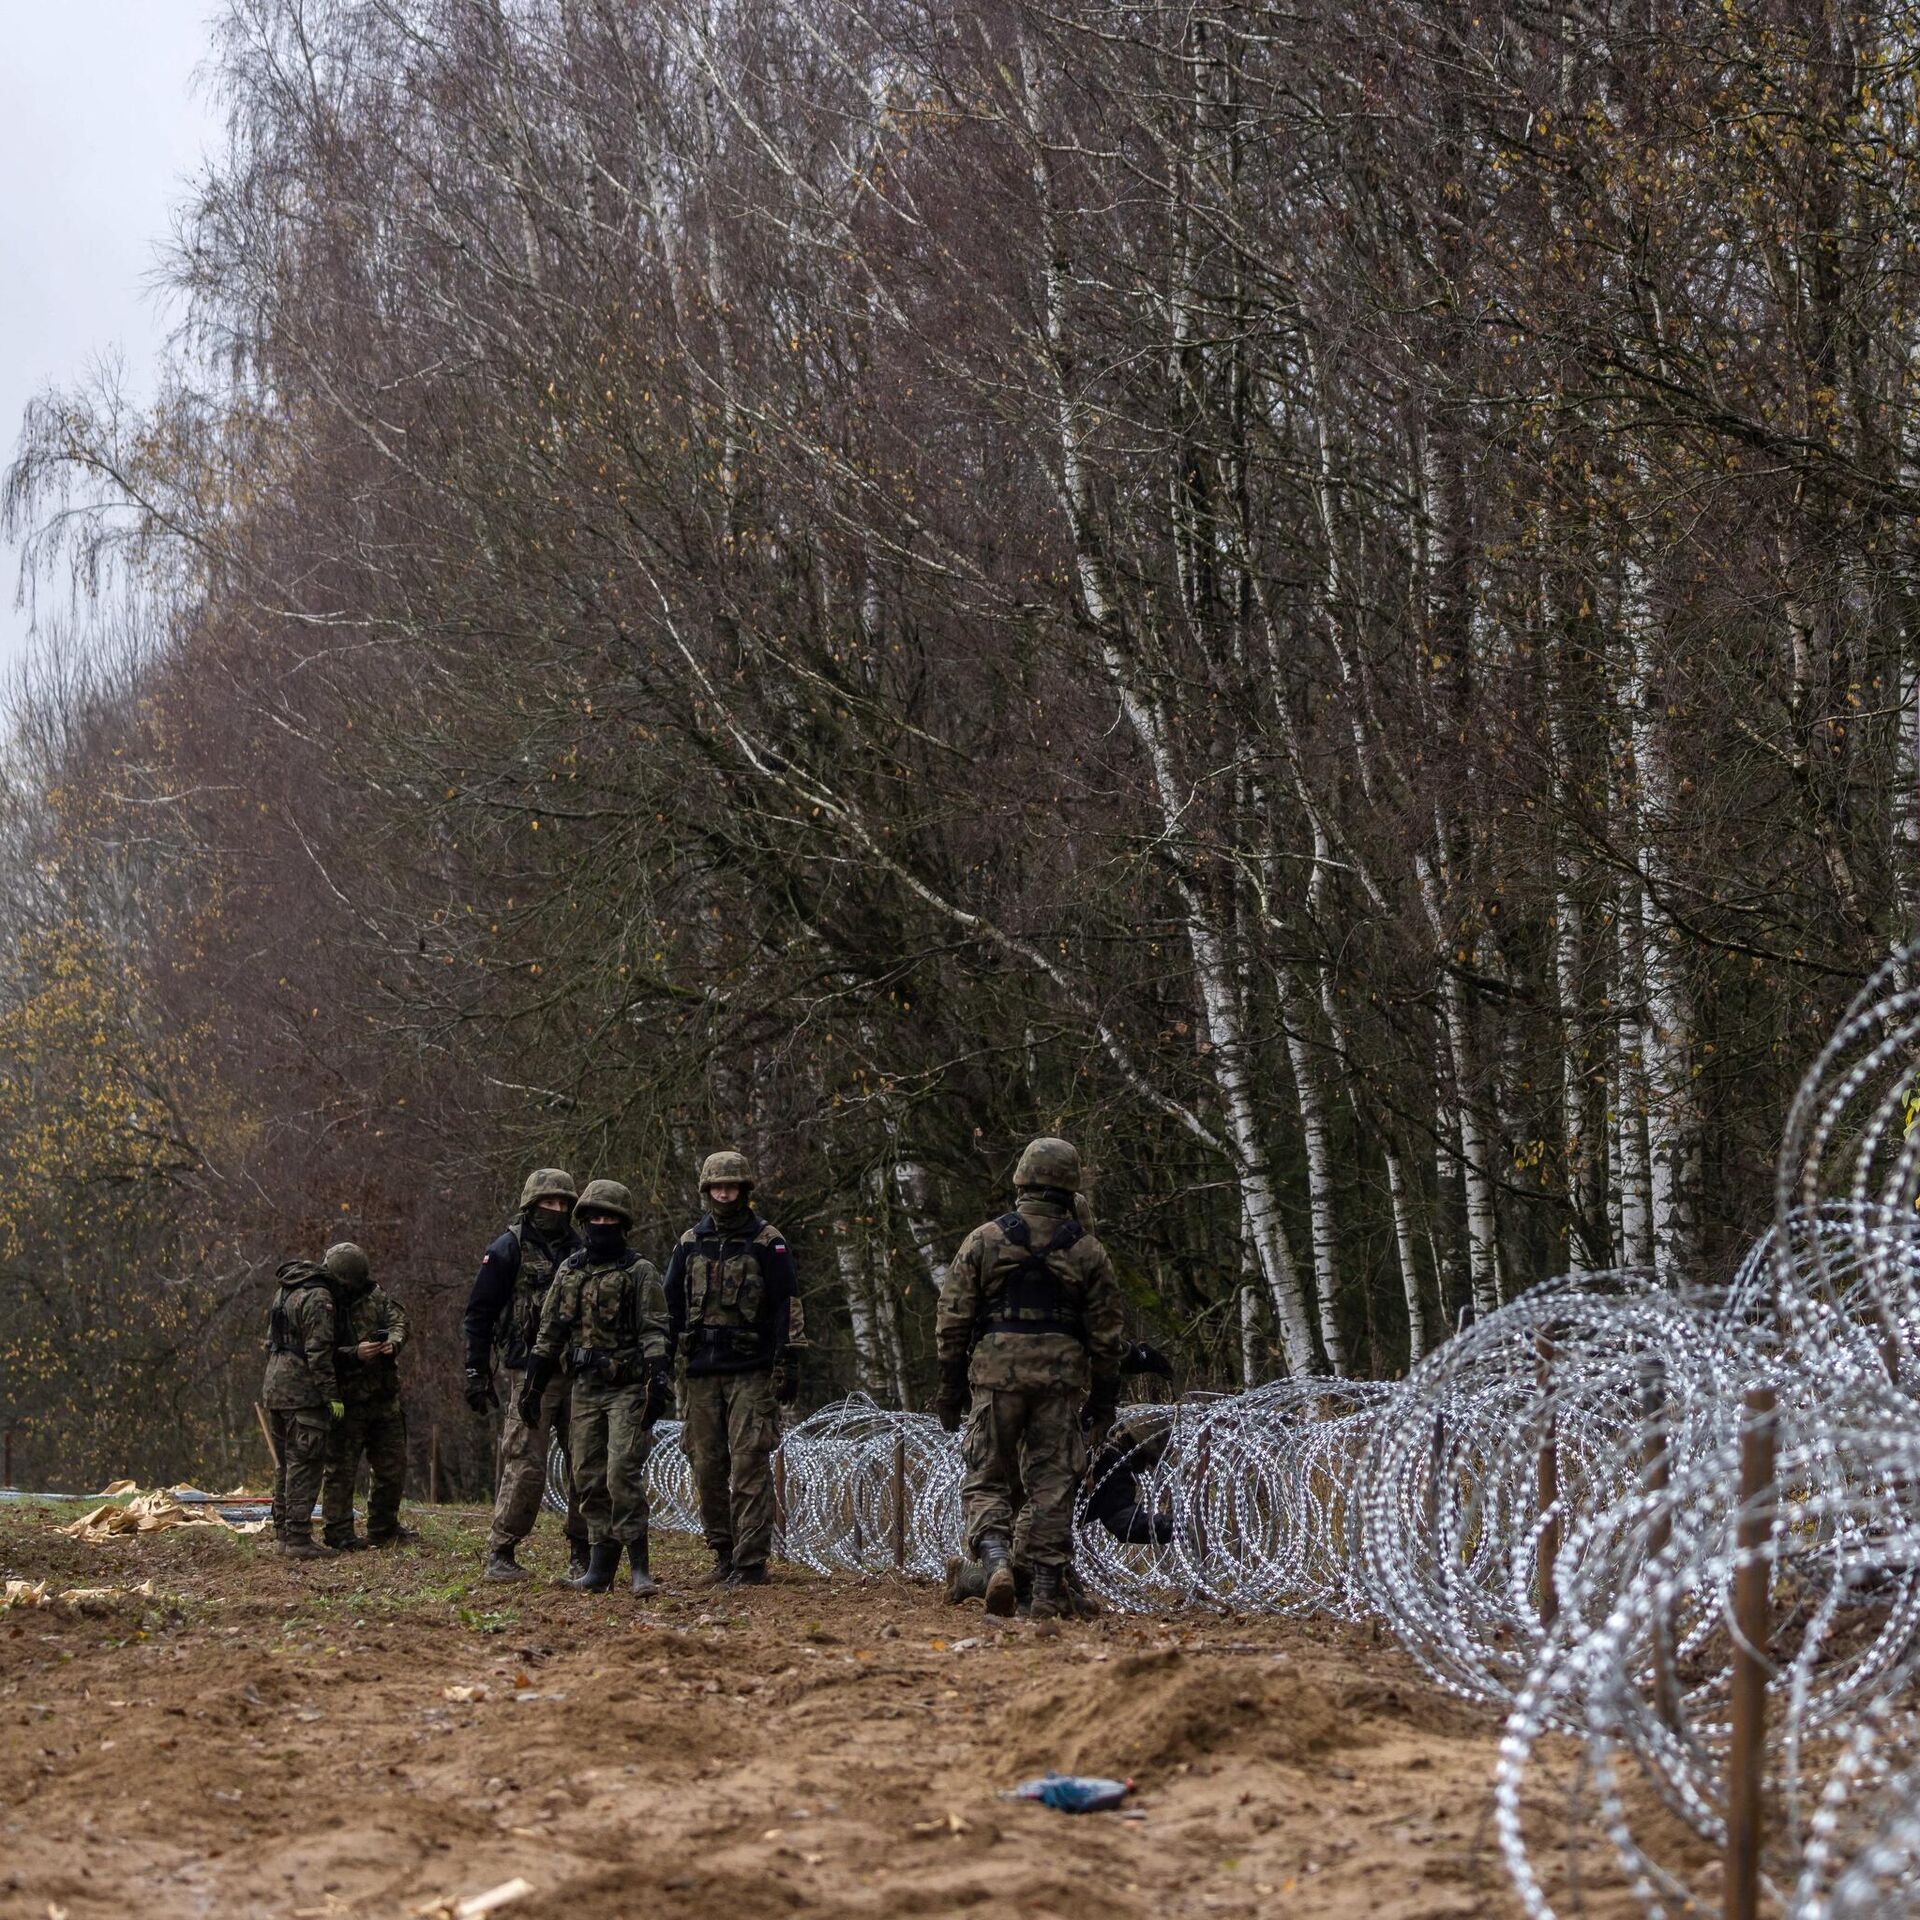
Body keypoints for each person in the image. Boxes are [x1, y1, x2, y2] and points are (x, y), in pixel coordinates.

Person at [933, 1136, 1126, 1621]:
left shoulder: (984, 1239)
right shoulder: (1088, 1251)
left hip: (996, 1376)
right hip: (1059, 1381)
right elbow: (1107, 1336)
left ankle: (996, 1560)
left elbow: (952, 1319)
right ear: (1070, 1184)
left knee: (987, 1476)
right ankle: (1043, 1590)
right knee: (1051, 1485)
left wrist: (950, 1385)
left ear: (1021, 1179)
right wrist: (1103, 1401)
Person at [519, 1180, 673, 1594]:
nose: (601, 1224)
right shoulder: (570, 1270)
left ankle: (640, 1566)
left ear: (622, 1223)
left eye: (609, 1218)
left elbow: (655, 1332)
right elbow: (549, 1332)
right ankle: (600, 1567)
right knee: (587, 1475)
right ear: (584, 1221)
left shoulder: (640, 1272)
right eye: (594, 1218)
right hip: (583, 1387)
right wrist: (532, 1384)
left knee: (622, 1471)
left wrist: (657, 1381)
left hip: (626, 1386)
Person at [664, 1150, 798, 1588]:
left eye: (732, 1187)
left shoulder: (767, 1241)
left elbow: (787, 1304)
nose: (724, 1194)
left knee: (748, 1466)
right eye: (718, 1187)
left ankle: (751, 1562)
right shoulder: (689, 1243)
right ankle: (722, 1552)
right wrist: (660, 1366)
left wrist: (788, 1359)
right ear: (707, 1191)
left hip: (751, 1370)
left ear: (744, 1190)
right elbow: (669, 1308)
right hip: (700, 1371)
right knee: (706, 1466)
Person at [464, 1168, 589, 1582]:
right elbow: (479, 1314)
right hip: (528, 1372)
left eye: (562, 1204)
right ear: (531, 1205)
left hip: (579, 1371)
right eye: (548, 1203)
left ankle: (582, 1551)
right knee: (525, 1463)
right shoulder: (507, 1249)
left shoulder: (582, 1249)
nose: (555, 1210)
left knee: (586, 1462)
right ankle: (501, 1551)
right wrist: (476, 1370)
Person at [318, 1242, 412, 1550]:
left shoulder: (376, 1296)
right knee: (341, 1470)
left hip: (384, 1397)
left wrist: (393, 1343)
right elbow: (318, 1352)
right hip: (346, 1400)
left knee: (391, 1466)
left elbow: (399, 1321)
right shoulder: (323, 1303)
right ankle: (338, 1531)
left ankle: (384, 1527)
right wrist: (353, 1353)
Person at [262, 1257, 343, 1561]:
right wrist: (331, 1395)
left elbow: (271, 1341)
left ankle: (284, 1533)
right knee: (304, 1464)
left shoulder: (284, 1291)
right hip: (302, 1392)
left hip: (275, 1385)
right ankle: (297, 1538)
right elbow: (319, 1353)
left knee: (285, 1464)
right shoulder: (318, 1296)